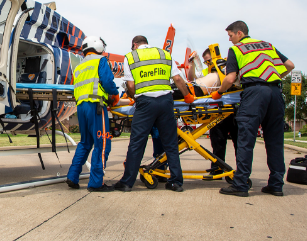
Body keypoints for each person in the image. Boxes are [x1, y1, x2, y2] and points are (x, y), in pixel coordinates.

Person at [211, 21, 294, 197]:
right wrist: (274, 77)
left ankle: (240, 184)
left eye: (230, 35)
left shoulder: (237, 49)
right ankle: (276, 184)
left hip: (254, 93)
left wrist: (219, 93)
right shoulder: (267, 45)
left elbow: (230, 78)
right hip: (275, 92)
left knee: (246, 140)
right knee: (275, 140)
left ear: (239, 33)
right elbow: (290, 66)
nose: (230, 39)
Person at [114, 35, 194, 192]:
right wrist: (187, 95)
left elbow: (131, 85)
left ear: (134, 44)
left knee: (137, 143)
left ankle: (127, 183)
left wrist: (133, 97)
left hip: (145, 103)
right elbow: (177, 78)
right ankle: (176, 182)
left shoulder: (131, 56)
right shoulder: (164, 54)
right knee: (170, 143)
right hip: (166, 101)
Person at [66, 36, 120, 192]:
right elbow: (108, 81)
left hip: (81, 108)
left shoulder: (79, 66)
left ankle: (72, 176)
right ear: (98, 47)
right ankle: (96, 183)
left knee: (85, 143)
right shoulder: (100, 60)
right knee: (102, 144)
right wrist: (115, 95)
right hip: (96, 106)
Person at [189, 48, 239, 177]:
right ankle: (217, 167)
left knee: (239, 142)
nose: (207, 64)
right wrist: (192, 64)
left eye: (209, 61)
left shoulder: (228, 67)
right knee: (217, 142)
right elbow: (193, 80)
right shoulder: (209, 71)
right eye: (205, 62)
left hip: (234, 109)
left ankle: (241, 171)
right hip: (217, 110)